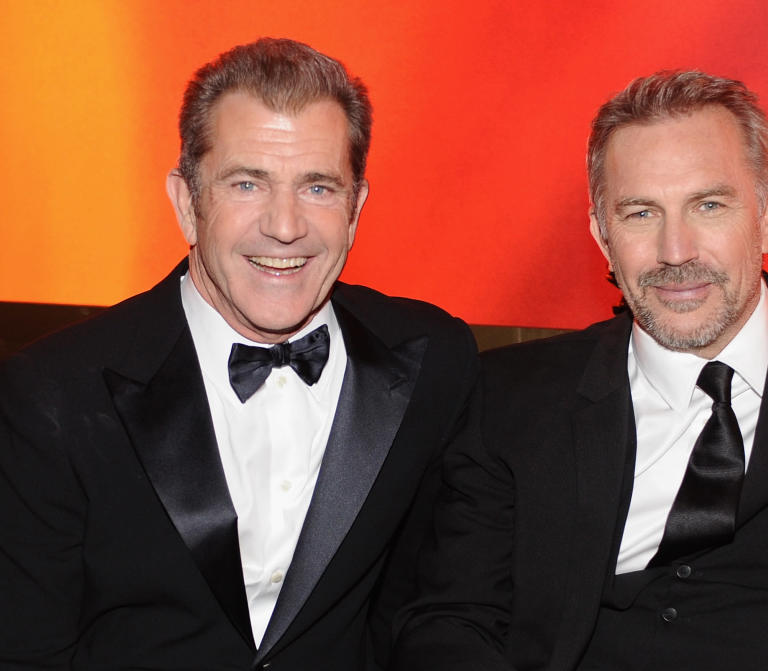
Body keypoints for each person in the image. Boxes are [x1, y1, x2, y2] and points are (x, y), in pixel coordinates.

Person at [392, 71, 768, 670]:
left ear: (766, 216)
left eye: (708, 205)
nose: (676, 251)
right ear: (602, 236)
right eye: (640, 214)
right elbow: (450, 620)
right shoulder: (511, 396)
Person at [0, 38, 476, 670]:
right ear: (186, 202)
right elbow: (27, 652)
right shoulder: (53, 395)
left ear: (356, 208)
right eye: (247, 183)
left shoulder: (433, 360)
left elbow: (438, 606)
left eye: (318, 187)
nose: (284, 226)